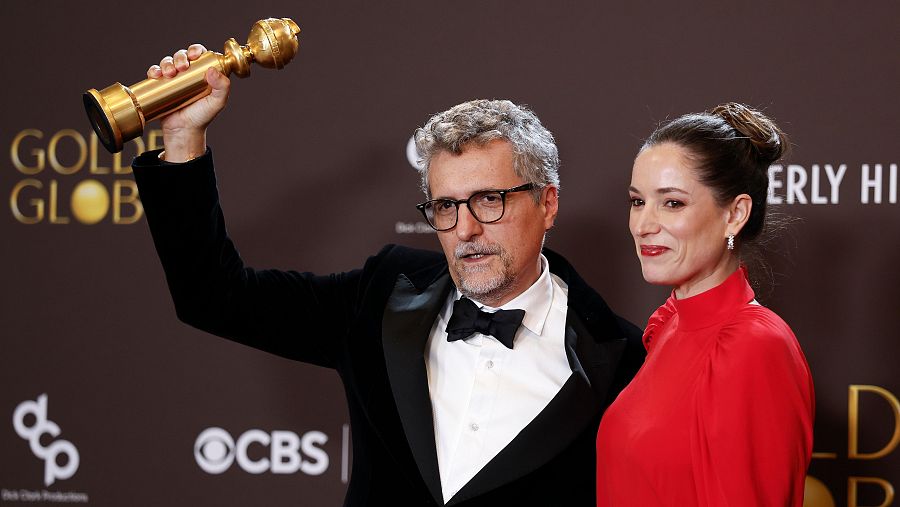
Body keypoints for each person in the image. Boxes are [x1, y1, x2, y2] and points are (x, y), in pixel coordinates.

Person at [133, 45, 643, 506]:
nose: (465, 230)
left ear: (547, 203)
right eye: (445, 206)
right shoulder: (381, 295)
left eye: (490, 200)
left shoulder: (622, 358)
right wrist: (183, 138)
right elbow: (214, 296)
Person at [596, 103, 815, 506]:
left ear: (735, 214)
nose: (643, 225)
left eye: (672, 203)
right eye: (637, 201)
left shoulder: (754, 346)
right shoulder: (670, 325)